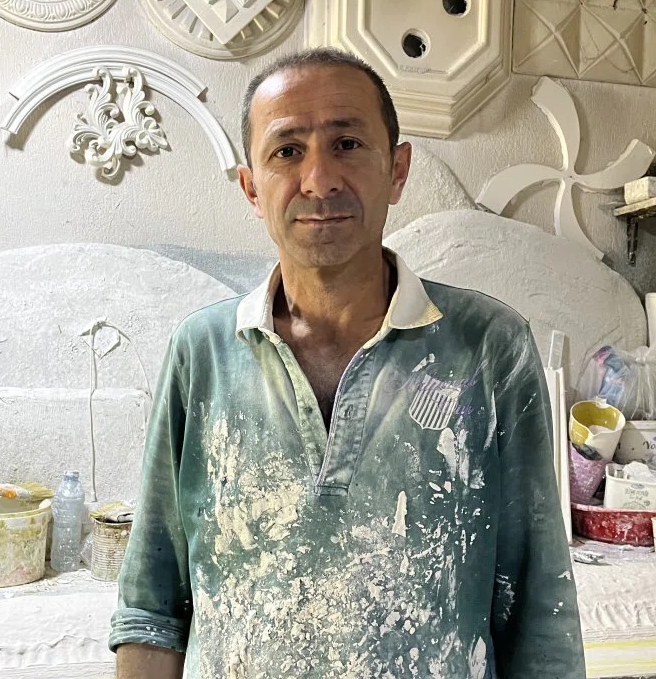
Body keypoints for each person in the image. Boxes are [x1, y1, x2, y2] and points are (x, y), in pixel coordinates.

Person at [109, 48, 585, 678]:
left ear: (397, 169)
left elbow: (538, 607)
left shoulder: (488, 349)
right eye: (287, 151)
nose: (319, 180)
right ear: (251, 188)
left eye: (348, 144)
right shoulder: (203, 354)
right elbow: (152, 608)